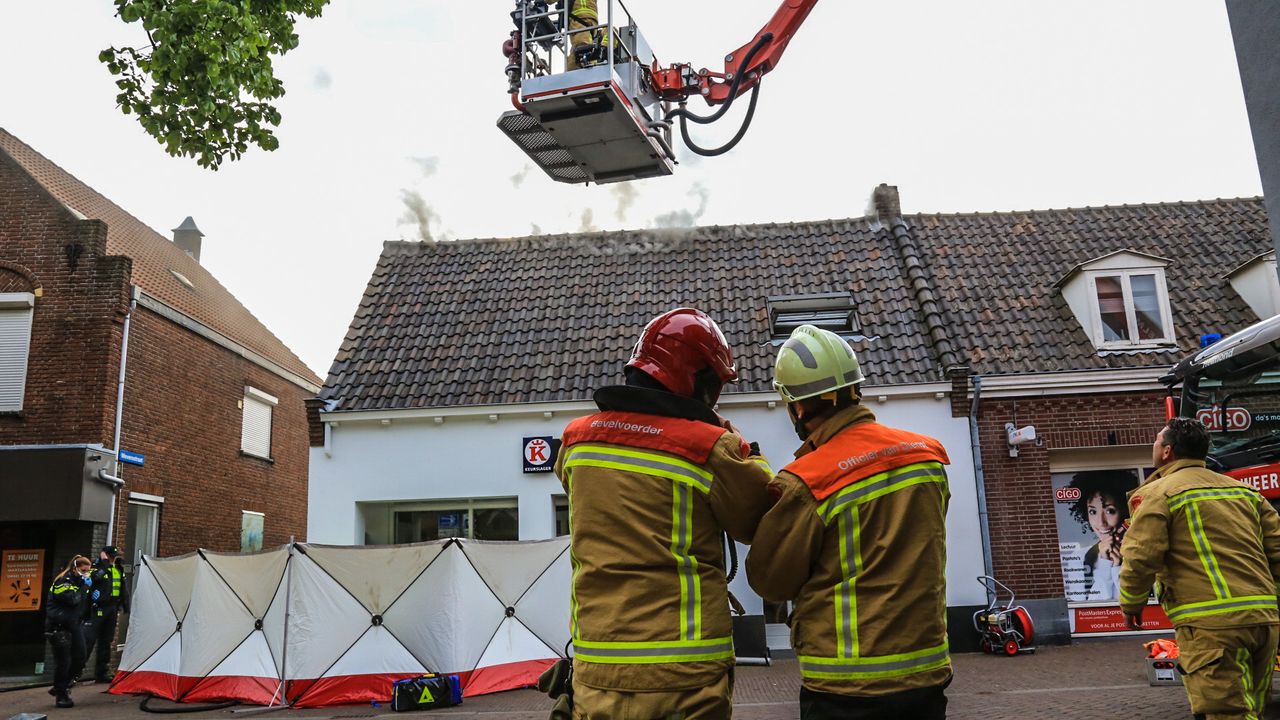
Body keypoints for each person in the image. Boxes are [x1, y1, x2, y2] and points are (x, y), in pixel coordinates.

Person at [553, 307, 774, 719]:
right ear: (697, 379)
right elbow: (759, 515)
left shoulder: (577, 442)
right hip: (684, 677)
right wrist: (743, 447)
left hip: (597, 671)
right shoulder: (709, 447)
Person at [746, 325, 952, 720]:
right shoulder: (926, 458)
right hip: (925, 675)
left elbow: (769, 580)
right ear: (855, 390)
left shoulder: (808, 480)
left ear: (798, 407)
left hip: (846, 686)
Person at [1120, 417, 1280, 720]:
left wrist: (1131, 602)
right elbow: (1277, 552)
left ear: (1167, 452)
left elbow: (1141, 556)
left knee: (1225, 713)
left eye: (1156, 440)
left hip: (1211, 627)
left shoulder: (1159, 495)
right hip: (1264, 622)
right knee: (1252, 710)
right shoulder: (1245, 493)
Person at [1065, 471, 1136, 601]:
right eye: (1093, 511)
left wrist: (1117, 567)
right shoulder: (1078, 558)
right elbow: (1089, 606)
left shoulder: (1138, 552)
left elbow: (1135, 601)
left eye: (1110, 511)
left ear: (1125, 511)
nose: (1101, 522)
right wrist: (1105, 562)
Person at [46, 555, 92, 708]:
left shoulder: (78, 581)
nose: (86, 574)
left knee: (80, 656)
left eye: (88, 571)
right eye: (83, 570)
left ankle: (62, 685)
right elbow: (72, 599)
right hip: (58, 626)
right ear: (75, 569)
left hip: (73, 624)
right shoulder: (63, 582)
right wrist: (84, 586)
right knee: (64, 661)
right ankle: (61, 694)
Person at [83, 545, 130, 683]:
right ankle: (75, 672)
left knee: (106, 641)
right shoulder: (98, 567)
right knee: (89, 641)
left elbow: (123, 588)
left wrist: (126, 606)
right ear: (105, 555)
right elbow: (95, 579)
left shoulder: (118, 569)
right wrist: (103, 563)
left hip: (112, 609)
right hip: (98, 609)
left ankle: (102, 672)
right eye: (111, 556)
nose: (113, 558)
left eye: (115, 556)